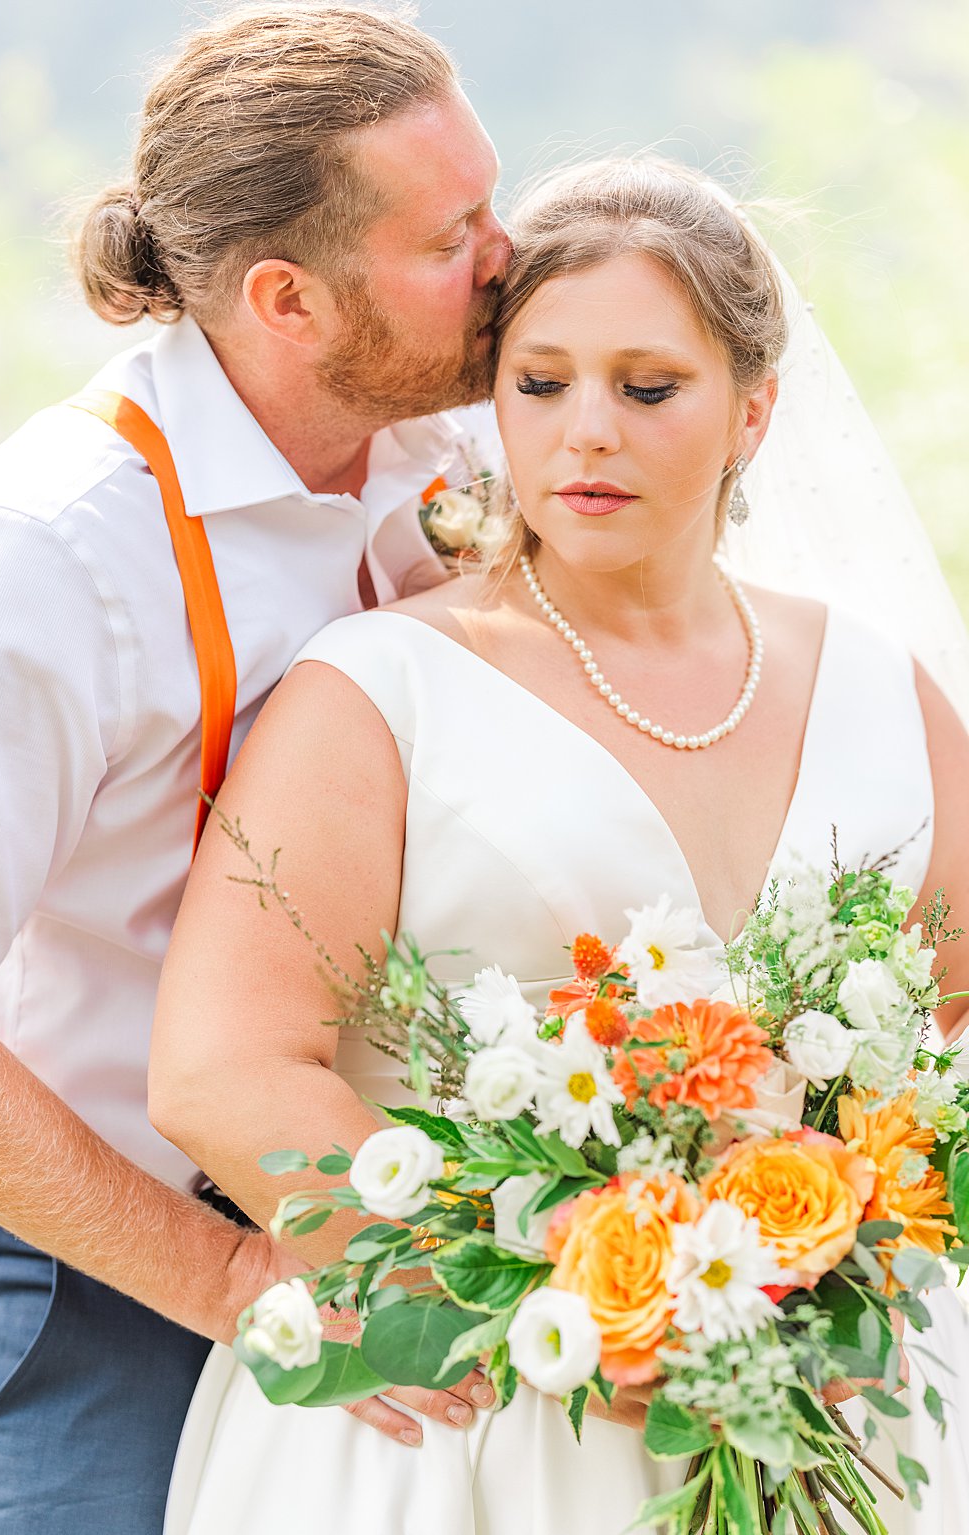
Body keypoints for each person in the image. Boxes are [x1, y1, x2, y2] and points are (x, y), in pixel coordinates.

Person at [153, 156, 969, 1534]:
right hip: (465, 1423)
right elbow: (221, 1069)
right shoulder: (377, 688)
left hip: (815, 1403)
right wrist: (580, 1304)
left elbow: (948, 1028)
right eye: (540, 385)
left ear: (754, 412)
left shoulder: (883, 687)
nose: (587, 430)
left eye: (648, 388)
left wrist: (821, 1256)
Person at [0, 7, 509, 1529]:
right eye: (456, 235)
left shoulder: (450, 452)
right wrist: (235, 1273)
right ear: (289, 298)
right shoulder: (50, 555)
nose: (510, 258)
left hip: (413, 1219)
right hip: (108, 1254)